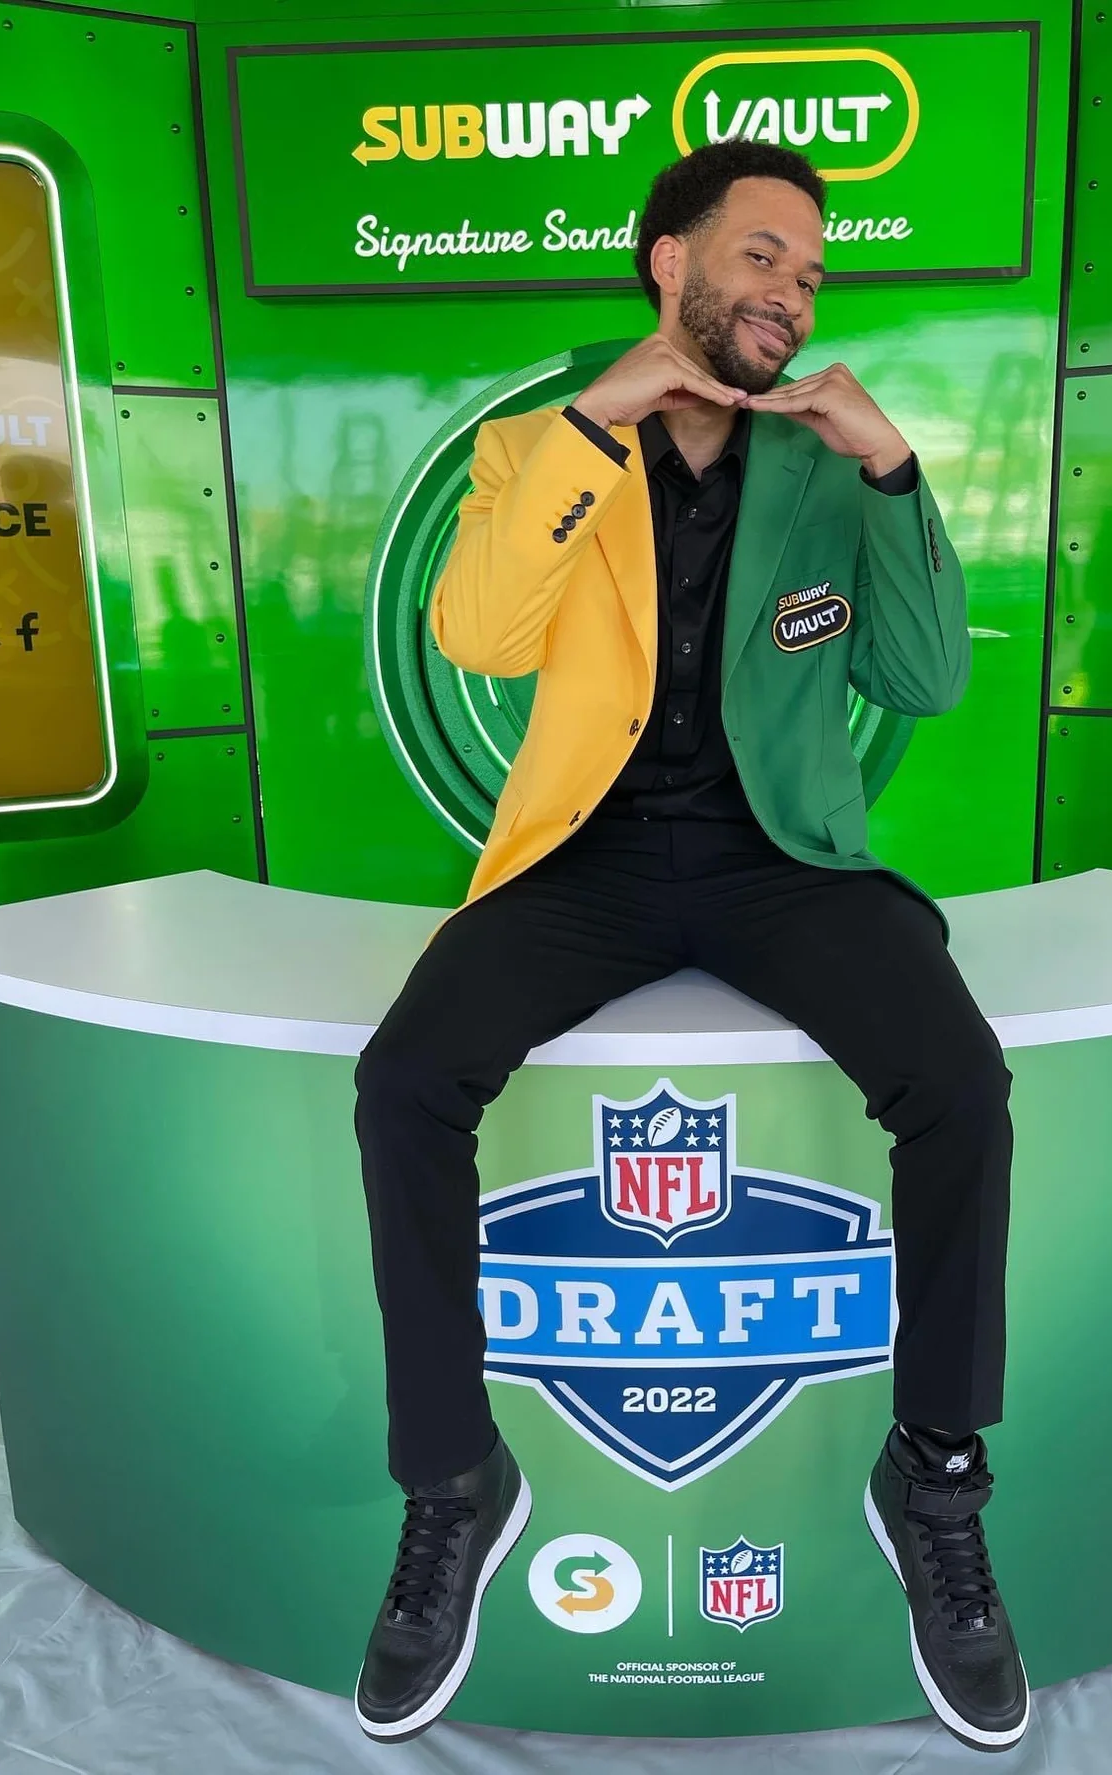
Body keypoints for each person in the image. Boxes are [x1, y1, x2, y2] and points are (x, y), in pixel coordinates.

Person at [352, 138, 1028, 1755]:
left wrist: (889, 470)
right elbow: (477, 634)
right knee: (403, 1082)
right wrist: (600, 426)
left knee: (960, 1081)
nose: (792, 291)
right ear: (670, 259)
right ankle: (456, 1474)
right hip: (581, 856)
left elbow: (927, 678)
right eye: (761, 257)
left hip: (782, 859)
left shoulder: (818, 460)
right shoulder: (540, 442)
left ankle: (932, 1470)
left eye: (809, 270)